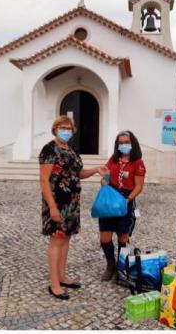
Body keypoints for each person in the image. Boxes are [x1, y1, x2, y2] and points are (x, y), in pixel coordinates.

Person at [39, 116, 107, 300]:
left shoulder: (71, 149)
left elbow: (77, 173)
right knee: (57, 240)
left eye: (69, 128)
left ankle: (62, 275)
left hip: (72, 203)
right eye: (62, 127)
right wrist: (52, 208)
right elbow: (44, 180)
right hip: (57, 203)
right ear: (55, 129)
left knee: (66, 238)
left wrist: (95, 170)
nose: (66, 130)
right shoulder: (49, 149)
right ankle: (54, 284)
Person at [99, 130, 146, 281]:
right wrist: (104, 182)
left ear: (133, 144)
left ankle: (121, 267)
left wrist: (127, 200)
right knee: (105, 237)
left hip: (126, 200)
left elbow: (139, 186)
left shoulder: (138, 163)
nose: (124, 145)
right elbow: (105, 176)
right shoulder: (113, 160)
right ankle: (110, 265)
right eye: (121, 143)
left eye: (126, 142)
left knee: (123, 237)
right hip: (110, 199)